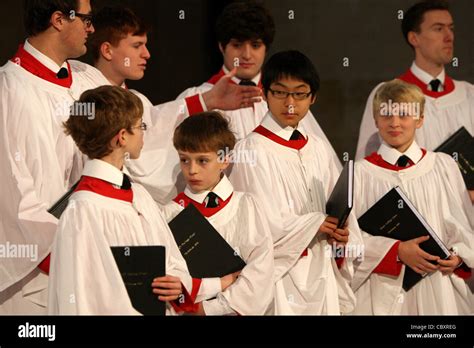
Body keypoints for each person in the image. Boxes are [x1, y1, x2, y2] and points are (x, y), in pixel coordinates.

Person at [48, 86, 239, 314]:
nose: (143, 133)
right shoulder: (82, 210)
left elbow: (171, 265)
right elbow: (80, 300)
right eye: (140, 126)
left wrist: (201, 285)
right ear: (122, 137)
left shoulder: (139, 195)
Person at [74, 5, 263, 203]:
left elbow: (156, 132)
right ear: (107, 50)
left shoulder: (139, 100)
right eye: (137, 46)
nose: (146, 54)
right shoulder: (80, 95)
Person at [230, 50, 363, 315]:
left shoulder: (318, 148)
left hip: (322, 269)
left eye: (300, 94)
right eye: (280, 92)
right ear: (265, 92)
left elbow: (340, 208)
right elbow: (258, 225)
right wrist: (316, 223)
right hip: (282, 277)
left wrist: (341, 233)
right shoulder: (251, 150)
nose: (290, 103)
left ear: (312, 98)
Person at [0, 0, 99, 314]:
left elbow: (138, 132)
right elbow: (8, 189)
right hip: (35, 273)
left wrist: (203, 100)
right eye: (86, 18)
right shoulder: (9, 90)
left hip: (87, 255)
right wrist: (63, 253)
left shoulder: (88, 79)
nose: (91, 28)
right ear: (59, 19)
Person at [351, 79, 474, 315]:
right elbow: (348, 243)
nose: (394, 123)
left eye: (404, 114)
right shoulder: (359, 174)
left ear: (420, 119)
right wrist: (394, 250)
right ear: (375, 120)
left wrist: (458, 257)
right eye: (386, 115)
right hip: (381, 288)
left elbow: (464, 227)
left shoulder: (443, 166)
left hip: (438, 286)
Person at [177, 1, 341, 168]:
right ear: (221, 46)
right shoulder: (198, 98)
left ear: (266, 48)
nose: (247, 55)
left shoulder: (286, 97)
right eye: (237, 45)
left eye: (255, 45)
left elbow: (321, 164)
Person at [355, 0, 474, 202]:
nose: (449, 36)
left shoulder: (469, 94)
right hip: (414, 207)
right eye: (438, 28)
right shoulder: (387, 93)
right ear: (414, 38)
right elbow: (368, 166)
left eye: (451, 28)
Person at [160, 111, 274, 315]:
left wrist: (209, 308)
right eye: (185, 160)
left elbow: (261, 272)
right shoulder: (168, 215)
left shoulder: (247, 206)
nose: (192, 170)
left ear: (225, 160)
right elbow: (170, 280)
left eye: (202, 160)